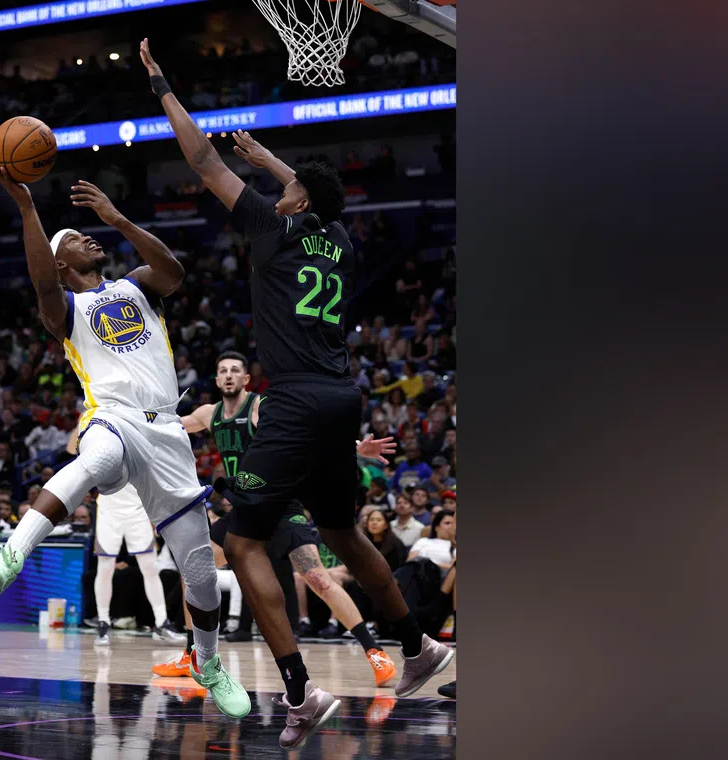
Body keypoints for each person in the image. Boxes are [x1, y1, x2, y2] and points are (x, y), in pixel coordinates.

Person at [142, 38, 453, 748]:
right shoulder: (339, 237)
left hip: (295, 401)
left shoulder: (273, 229)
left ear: (296, 199)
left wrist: (161, 84)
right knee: (342, 532)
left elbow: (201, 161)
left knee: (243, 542)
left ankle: (299, 690)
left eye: (286, 187)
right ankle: (418, 646)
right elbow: (321, 197)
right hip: (342, 395)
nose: (277, 191)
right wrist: (280, 166)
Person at [0, 163, 249, 718]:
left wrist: (116, 217)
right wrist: (26, 207)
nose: (88, 237)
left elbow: (174, 270)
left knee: (199, 572)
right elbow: (43, 280)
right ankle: (8, 558)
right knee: (95, 458)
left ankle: (207, 664)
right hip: (113, 416)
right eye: (74, 239)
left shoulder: (135, 286)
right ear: (62, 262)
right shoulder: (66, 310)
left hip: (167, 430)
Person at [152, 351, 401, 688]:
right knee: (194, 569)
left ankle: (375, 652)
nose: (228, 375)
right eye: (222, 370)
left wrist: (355, 447)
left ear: (245, 380)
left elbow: (309, 434)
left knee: (318, 578)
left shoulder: (258, 407)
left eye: (235, 370)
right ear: (216, 379)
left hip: (281, 505)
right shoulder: (208, 414)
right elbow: (167, 428)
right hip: (245, 508)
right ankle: (192, 654)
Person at [86, 479, 186, 646]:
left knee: (150, 568)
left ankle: (162, 624)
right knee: (105, 568)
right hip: (108, 508)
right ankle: (103, 623)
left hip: (138, 507)